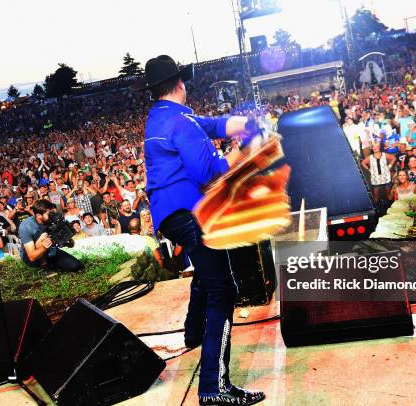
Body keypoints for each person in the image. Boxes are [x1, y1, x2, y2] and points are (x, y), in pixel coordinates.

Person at [133, 54, 264, 405]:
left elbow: (214, 124)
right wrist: (244, 149)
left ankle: (193, 333)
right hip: (189, 214)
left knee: (207, 276)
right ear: (180, 84)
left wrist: (246, 122)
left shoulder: (162, 117)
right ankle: (213, 387)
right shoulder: (179, 122)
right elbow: (209, 172)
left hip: (171, 216)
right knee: (225, 289)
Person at [18, 199, 84, 273]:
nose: (52, 215)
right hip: (32, 257)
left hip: (51, 251)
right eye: (49, 213)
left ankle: (52, 264)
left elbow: (66, 243)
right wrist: (45, 246)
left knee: (76, 266)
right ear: (39, 215)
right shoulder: (26, 226)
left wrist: (66, 240)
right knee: (43, 233)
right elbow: (32, 257)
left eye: (52, 212)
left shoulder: (52, 220)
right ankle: (45, 267)